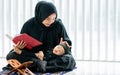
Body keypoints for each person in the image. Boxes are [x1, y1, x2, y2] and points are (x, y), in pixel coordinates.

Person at [3, 1, 76, 73]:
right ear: (41, 15)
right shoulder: (29, 25)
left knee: (70, 60)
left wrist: (63, 46)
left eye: (53, 19)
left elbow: (68, 45)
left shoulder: (58, 25)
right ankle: (41, 65)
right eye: (48, 19)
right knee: (11, 56)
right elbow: (22, 45)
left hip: (52, 56)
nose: (51, 22)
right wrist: (20, 47)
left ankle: (40, 66)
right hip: (32, 55)